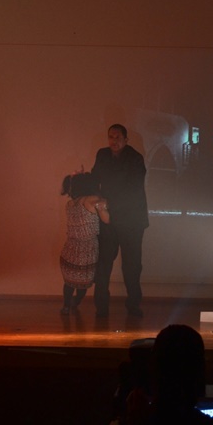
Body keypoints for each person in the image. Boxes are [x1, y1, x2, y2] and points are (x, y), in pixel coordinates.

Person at [91, 124, 149, 318]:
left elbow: (134, 189)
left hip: (131, 220)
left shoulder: (135, 158)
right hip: (108, 218)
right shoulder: (102, 155)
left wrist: (107, 203)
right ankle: (101, 306)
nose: (113, 141)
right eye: (111, 137)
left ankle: (133, 305)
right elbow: (94, 179)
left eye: (117, 137)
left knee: (131, 265)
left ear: (125, 139)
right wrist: (83, 183)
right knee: (104, 262)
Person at [59, 172, 109, 315]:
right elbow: (107, 220)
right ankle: (75, 302)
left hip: (70, 247)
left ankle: (66, 306)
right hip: (87, 248)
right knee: (83, 282)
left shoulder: (70, 203)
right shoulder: (94, 200)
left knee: (69, 282)